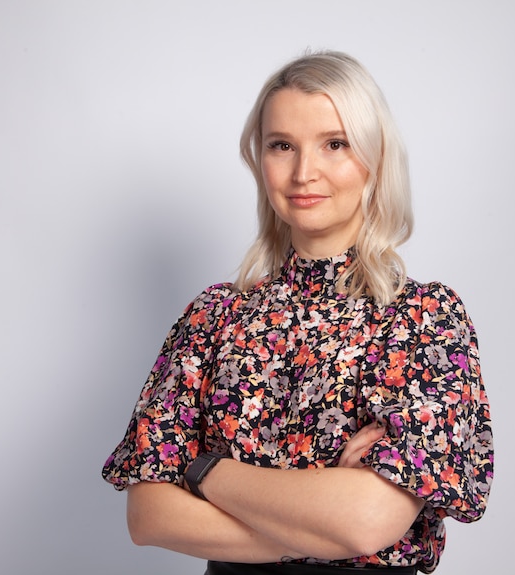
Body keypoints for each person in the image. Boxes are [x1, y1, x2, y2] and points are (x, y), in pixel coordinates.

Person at [102, 50, 493, 574]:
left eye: (335, 144)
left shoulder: (425, 319)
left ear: (374, 158)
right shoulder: (215, 317)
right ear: (259, 158)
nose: (304, 172)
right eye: (282, 145)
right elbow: (149, 515)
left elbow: (365, 520)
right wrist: (324, 527)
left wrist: (202, 470)